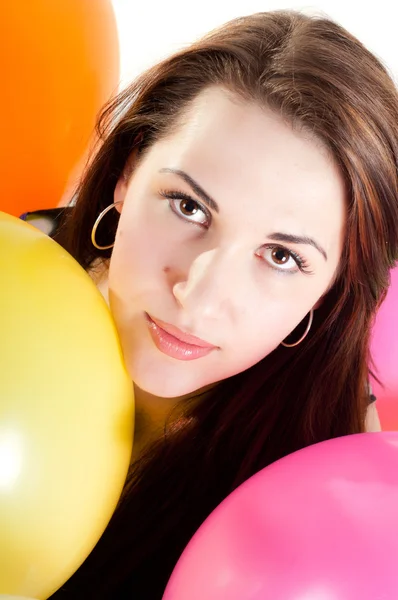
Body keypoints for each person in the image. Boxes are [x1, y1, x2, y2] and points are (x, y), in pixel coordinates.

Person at [25, 9, 396, 598]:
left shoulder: (331, 469)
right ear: (128, 173)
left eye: (281, 256)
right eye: (188, 207)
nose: (198, 294)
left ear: (331, 287)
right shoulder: (13, 280)